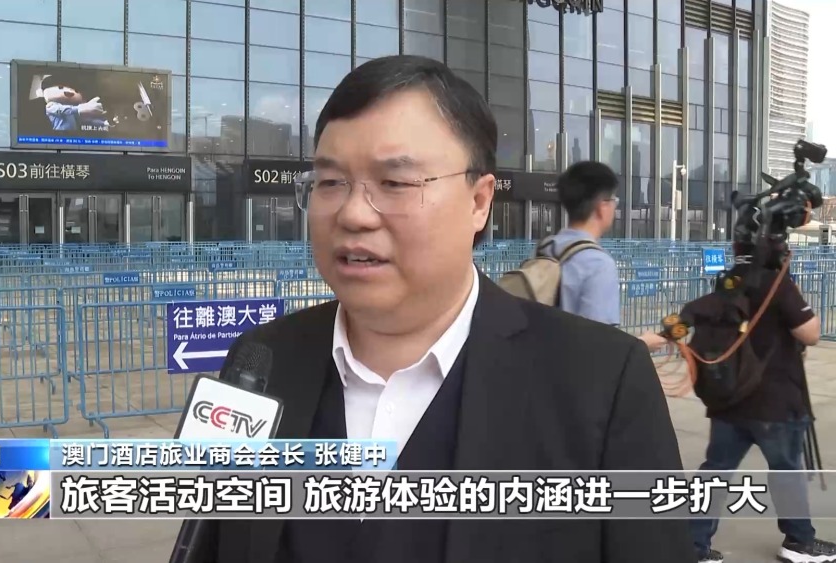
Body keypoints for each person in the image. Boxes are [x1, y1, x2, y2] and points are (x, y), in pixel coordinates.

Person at [201, 54, 692, 563]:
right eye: (330, 182)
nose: (352, 213)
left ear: (479, 201)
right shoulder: (261, 360)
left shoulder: (603, 381)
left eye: (395, 183)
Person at [690, 239, 833, 563]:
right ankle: (799, 541)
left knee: (715, 471)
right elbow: (810, 333)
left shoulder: (728, 281)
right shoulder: (777, 283)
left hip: (729, 398)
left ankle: (693, 544)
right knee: (786, 472)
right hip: (774, 403)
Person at [548, 161, 667, 350]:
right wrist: (641, 345)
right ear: (602, 207)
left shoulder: (546, 248)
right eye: (613, 200)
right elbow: (600, 348)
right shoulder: (598, 264)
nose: (614, 207)